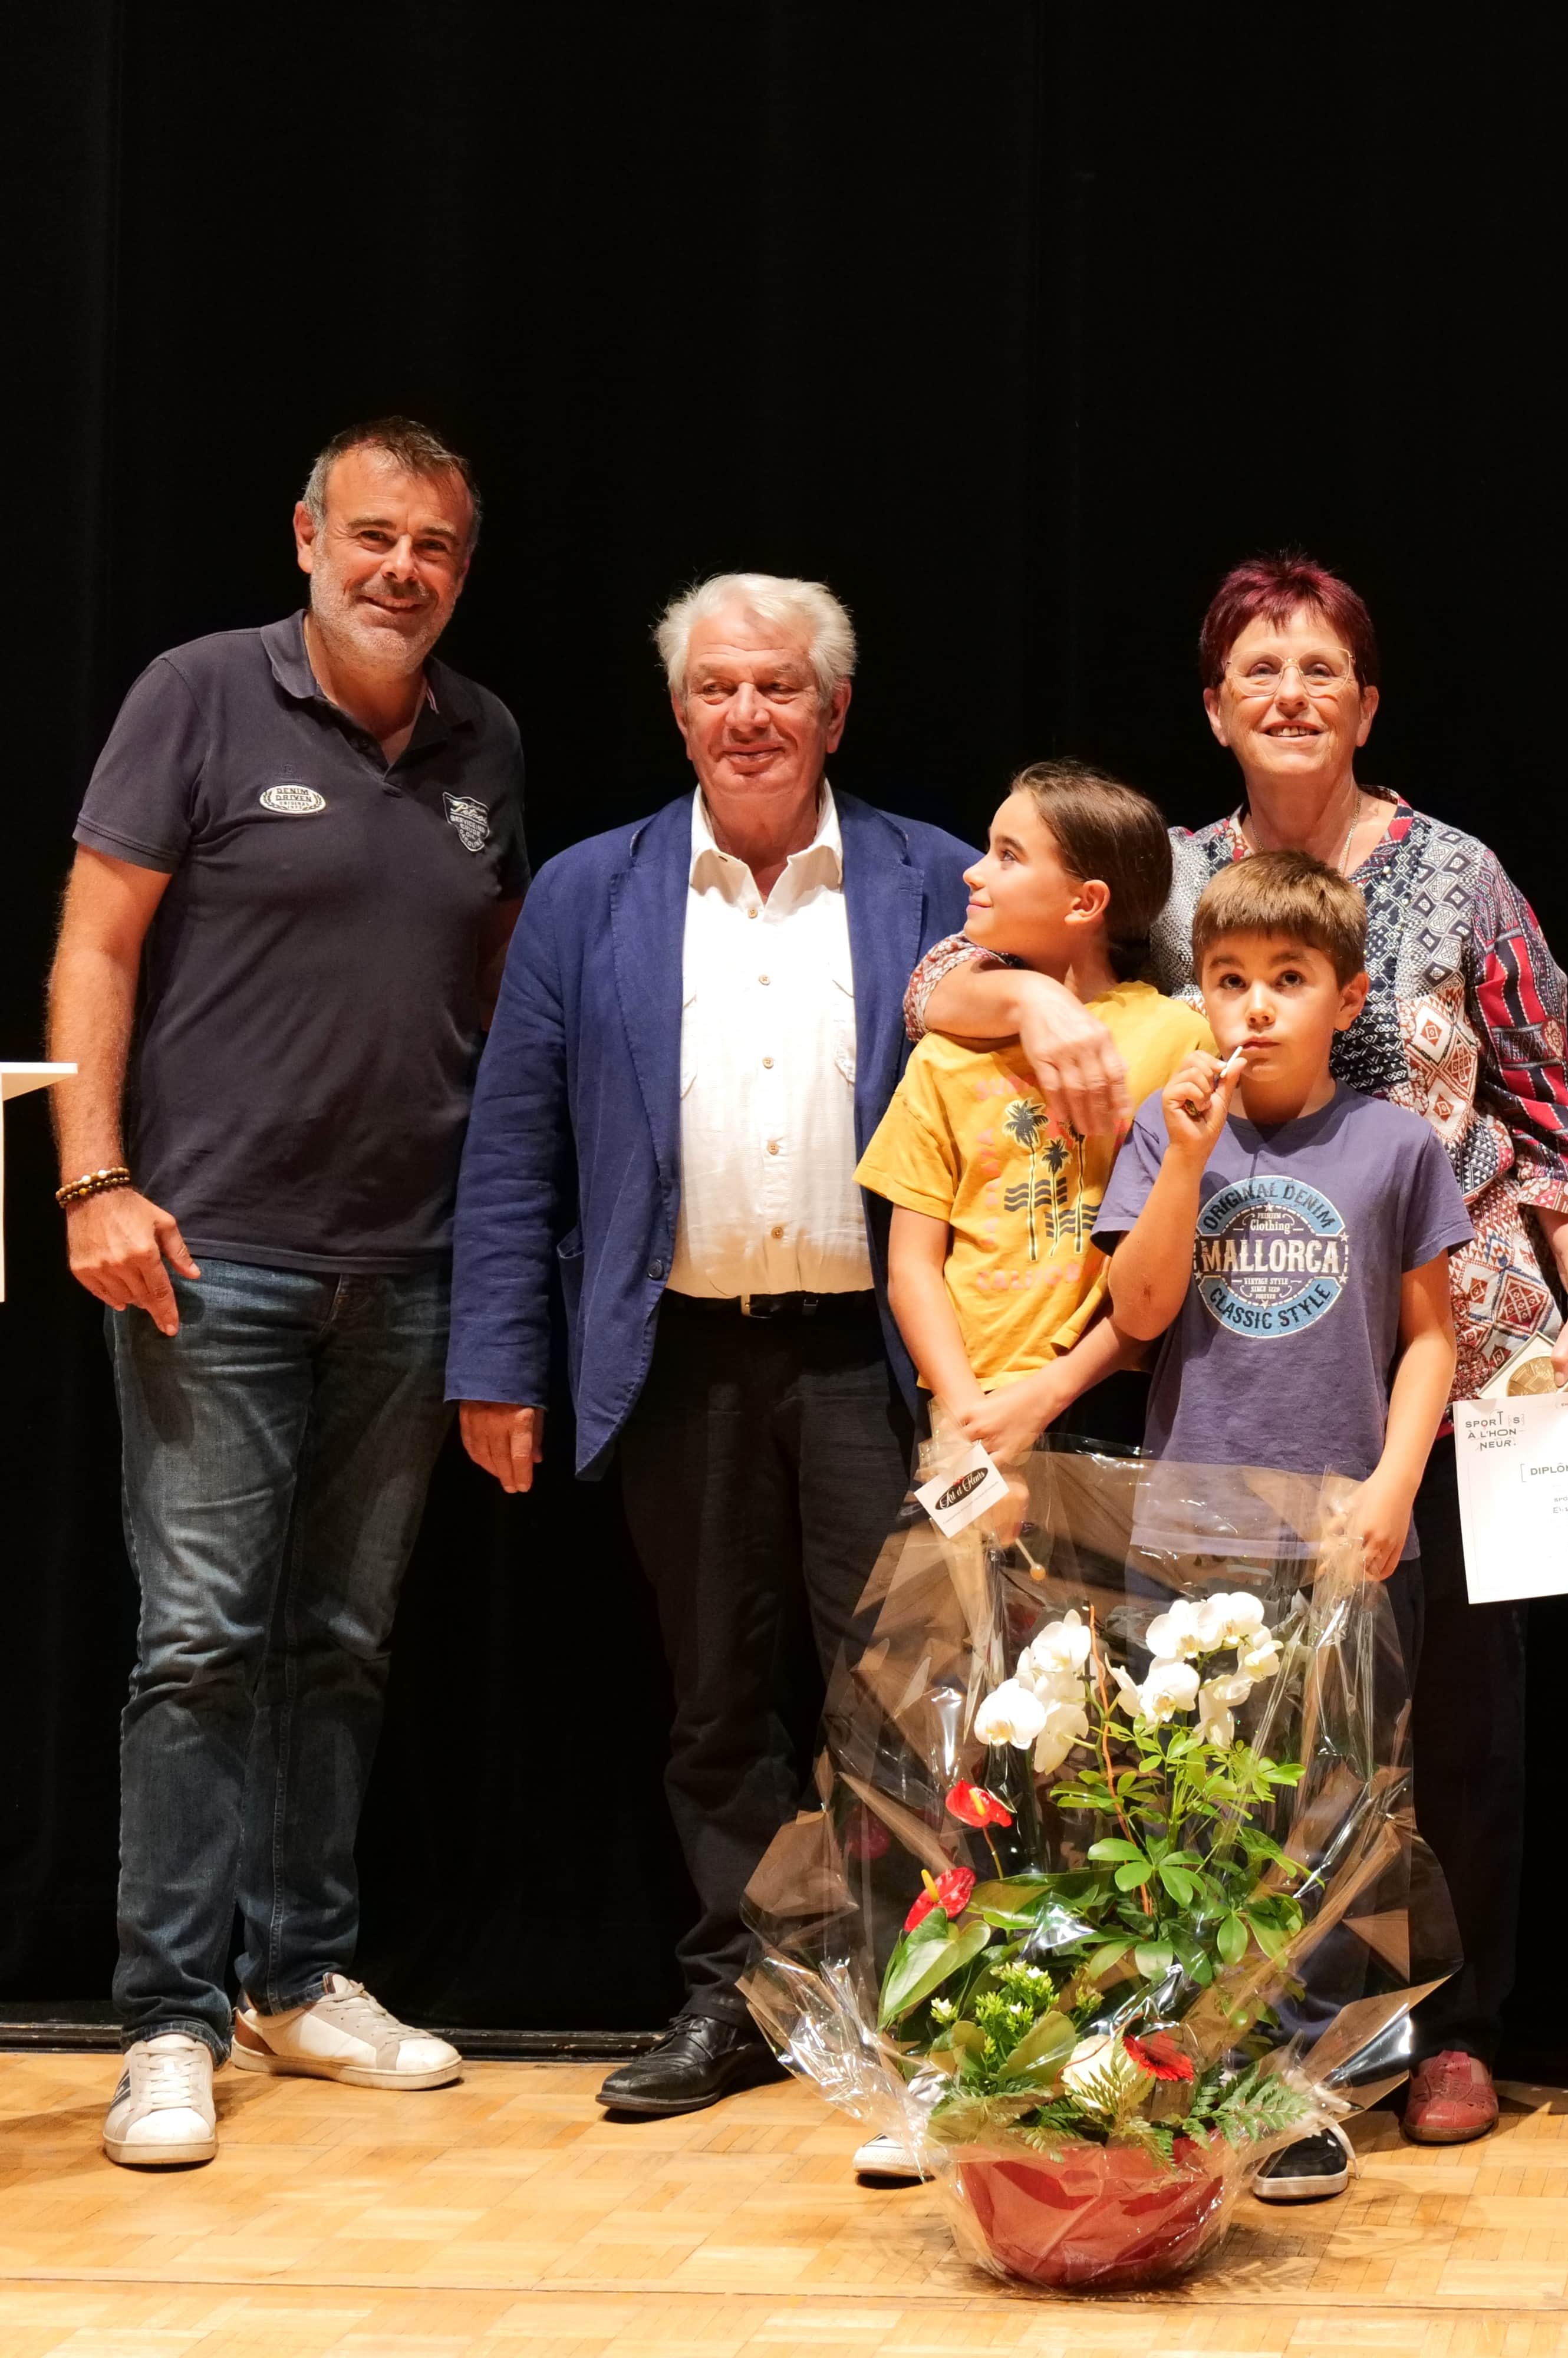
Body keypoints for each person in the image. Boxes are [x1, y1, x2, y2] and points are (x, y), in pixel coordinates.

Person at [904, 555, 1568, 2152]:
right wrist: (1028, 1003)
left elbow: (1548, 1104)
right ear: (1217, 708)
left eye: (1323, 668)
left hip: (1453, 1347)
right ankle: (1267, 2036)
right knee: (1248, 1728)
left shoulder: (1459, 876)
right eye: (1260, 671)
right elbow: (941, 975)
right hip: (1239, 1355)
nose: (1293, 694)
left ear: (1366, 701)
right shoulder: (1163, 875)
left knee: (1455, 1714)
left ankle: (1454, 2027)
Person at [447, 574, 981, 2119]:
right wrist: (497, 1361)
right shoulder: (587, 896)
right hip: (672, 1361)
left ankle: (918, 2010)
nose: (748, 714)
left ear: (835, 711)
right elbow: (512, 1149)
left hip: (878, 1364)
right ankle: (742, 1996)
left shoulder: (937, 880)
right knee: (710, 1708)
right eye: (718, 689)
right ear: (681, 712)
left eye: (780, 688)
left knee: (906, 1697)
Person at [49, 418, 516, 2169]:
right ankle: (168, 2013)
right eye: (375, 536)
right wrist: (93, 1175)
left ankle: (298, 1973)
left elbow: (486, 978)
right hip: (203, 1250)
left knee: (339, 1638)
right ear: (307, 535)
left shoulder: (489, 742)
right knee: (195, 1641)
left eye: (437, 548)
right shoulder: (197, 693)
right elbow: (96, 939)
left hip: (404, 1260)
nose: (403, 570)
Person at [1095, 849, 1468, 2203]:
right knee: (1194, 1824)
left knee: (1329, 1822)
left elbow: (1431, 1340)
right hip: (1191, 1538)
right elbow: (1138, 1315)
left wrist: (1392, 1485)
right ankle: (1212, 2070)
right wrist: (1189, 1158)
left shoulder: (1394, 1144)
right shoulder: (1164, 1129)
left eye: (1288, 980)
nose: (1254, 1006)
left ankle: (1311, 2085)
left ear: (1345, 993)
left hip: (1344, 1542)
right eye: (1230, 978)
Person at [860, 762, 1210, 1473]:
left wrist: (1050, 1393)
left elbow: (1171, 1266)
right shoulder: (947, 1052)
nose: (973, 872)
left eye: (1008, 855)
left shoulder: (1177, 1039)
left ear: (1086, 902)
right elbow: (912, 1266)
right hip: (970, 1406)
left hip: (1117, 1396)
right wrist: (967, 1419)